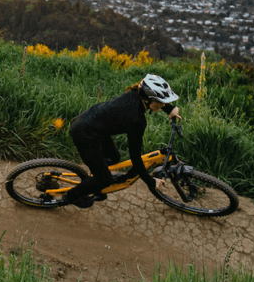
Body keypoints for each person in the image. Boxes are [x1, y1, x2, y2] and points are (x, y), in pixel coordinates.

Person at [63, 73, 181, 208]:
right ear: (148, 99)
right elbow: (135, 158)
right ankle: (71, 196)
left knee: (114, 157)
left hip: (90, 123)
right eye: (161, 102)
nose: (163, 104)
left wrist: (170, 109)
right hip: (85, 134)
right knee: (104, 179)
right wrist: (151, 182)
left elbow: (153, 100)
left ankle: (94, 181)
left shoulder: (135, 93)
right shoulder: (136, 120)